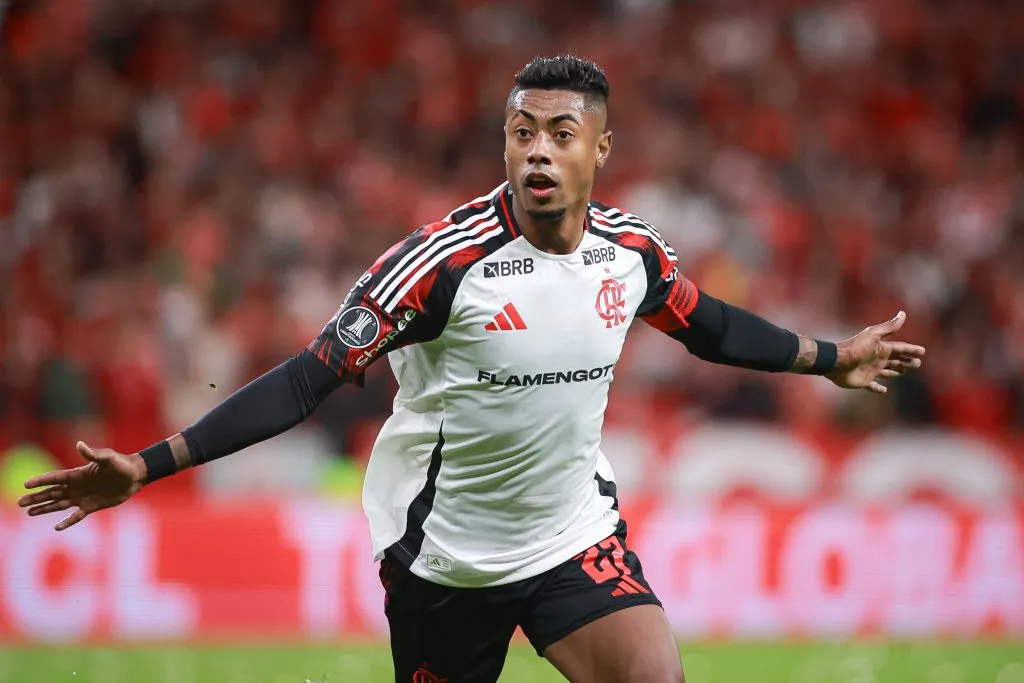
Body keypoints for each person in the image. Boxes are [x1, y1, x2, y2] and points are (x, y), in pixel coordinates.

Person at [18, 55, 925, 683]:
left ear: (598, 151)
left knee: (658, 672)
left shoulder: (631, 254)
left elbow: (709, 326)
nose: (537, 149)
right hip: (445, 557)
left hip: (573, 534)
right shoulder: (439, 266)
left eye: (560, 133)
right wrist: (148, 463)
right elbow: (305, 378)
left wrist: (829, 357)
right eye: (520, 131)